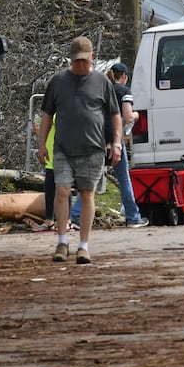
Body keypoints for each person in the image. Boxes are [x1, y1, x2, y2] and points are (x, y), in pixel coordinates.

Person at [38, 36, 122, 264]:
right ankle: (62, 241)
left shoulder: (102, 82)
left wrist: (116, 143)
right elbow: (46, 115)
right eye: (76, 61)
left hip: (93, 148)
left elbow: (115, 114)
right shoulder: (58, 81)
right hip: (63, 148)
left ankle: (83, 246)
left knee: (87, 194)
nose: (80, 65)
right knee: (62, 190)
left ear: (92, 57)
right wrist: (41, 144)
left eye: (84, 61)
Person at [69, 61, 148, 229]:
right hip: (114, 140)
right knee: (124, 178)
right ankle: (133, 217)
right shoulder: (124, 91)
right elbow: (126, 117)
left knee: (91, 178)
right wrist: (136, 115)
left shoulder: (99, 88)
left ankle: (75, 216)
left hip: (95, 137)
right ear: (125, 76)